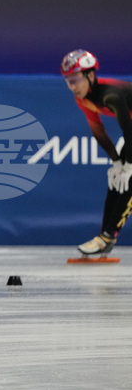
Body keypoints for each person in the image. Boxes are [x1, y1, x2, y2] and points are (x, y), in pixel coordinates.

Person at [61, 49, 132, 256]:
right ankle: (104, 238)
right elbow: (99, 133)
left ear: (90, 76)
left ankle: (108, 237)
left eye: (75, 79)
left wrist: (129, 165)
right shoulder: (83, 99)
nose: (72, 86)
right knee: (116, 179)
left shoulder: (111, 95)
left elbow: (128, 130)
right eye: (68, 80)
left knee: (130, 180)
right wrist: (118, 163)